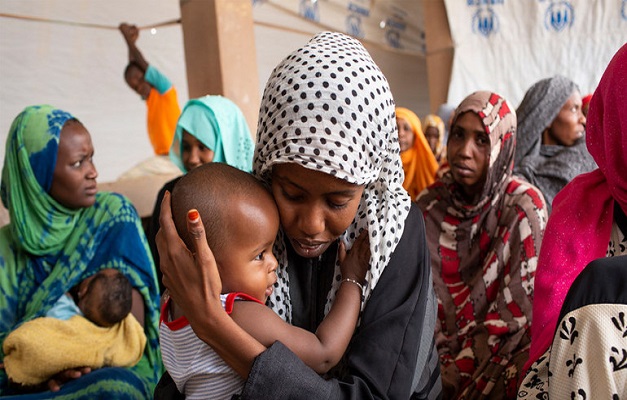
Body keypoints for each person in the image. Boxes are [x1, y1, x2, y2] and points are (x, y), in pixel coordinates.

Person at [155, 31, 441, 399]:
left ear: (368, 182)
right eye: (291, 194)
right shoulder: (245, 222)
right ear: (269, 169)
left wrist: (213, 325)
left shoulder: (389, 235)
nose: (310, 225)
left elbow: (372, 393)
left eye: (338, 202)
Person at [160, 162, 369, 399]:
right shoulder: (238, 313)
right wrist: (352, 280)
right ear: (207, 263)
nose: (275, 263)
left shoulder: (169, 307)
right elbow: (324, 353)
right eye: (260, 255)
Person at [0, 105, 162, 398]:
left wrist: (75, 354)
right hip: (27, 383)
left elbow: (131, 327)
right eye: (78, 163)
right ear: (37, 174)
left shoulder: (112, 218)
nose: (93, 172)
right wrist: (41, 366)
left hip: (103, 370)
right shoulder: (4, 251)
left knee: (119, 391)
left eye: (92, 158)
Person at [415, 91, 548, 399]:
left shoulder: (523, 208)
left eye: (482, 140)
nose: (464, 151)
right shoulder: (429, 206)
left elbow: (517, 314)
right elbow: (416, 304)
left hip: (498, 353)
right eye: (458, 135)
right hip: (429, 353)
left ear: (503, 146)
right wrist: (436, 362)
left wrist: (461, 365)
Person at [518, 42, 627, 398]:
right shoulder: (576, 206)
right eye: (571, 109)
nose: (581, 118)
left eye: (584, 110)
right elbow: (551, 363)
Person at [147, 95, 254, 291]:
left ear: (226, 144)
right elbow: (158, 264)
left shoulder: (253, 199)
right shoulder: (171, 195)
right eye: (186, 147)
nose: (192, 158)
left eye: (203, 147)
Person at [3, 269, 145, 388]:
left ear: (83, 290)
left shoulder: (62, 305)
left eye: (95, 275)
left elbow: (34, 338)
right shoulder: (107, 340)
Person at [514, 75, 597, 213]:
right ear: (546, 116)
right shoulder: (511, 165)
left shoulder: (584, 155)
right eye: (574, 109)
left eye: (581, 110)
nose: (583, 119)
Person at [119, 22, 181, 158]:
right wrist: (132, 43)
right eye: (135, 87)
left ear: (149, 76)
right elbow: (134, 66)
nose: (139, 87)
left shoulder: (164, 90)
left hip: (175, 154)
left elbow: (141, 62)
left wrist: (127, 39)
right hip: (162, 156)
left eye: (141, 80)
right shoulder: (149, 99)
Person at [396, 107, 439, 199]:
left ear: (415, 135)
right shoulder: (381, 162)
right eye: (396, 127)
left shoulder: (423, 162)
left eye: (406, 129)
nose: (400, 133)